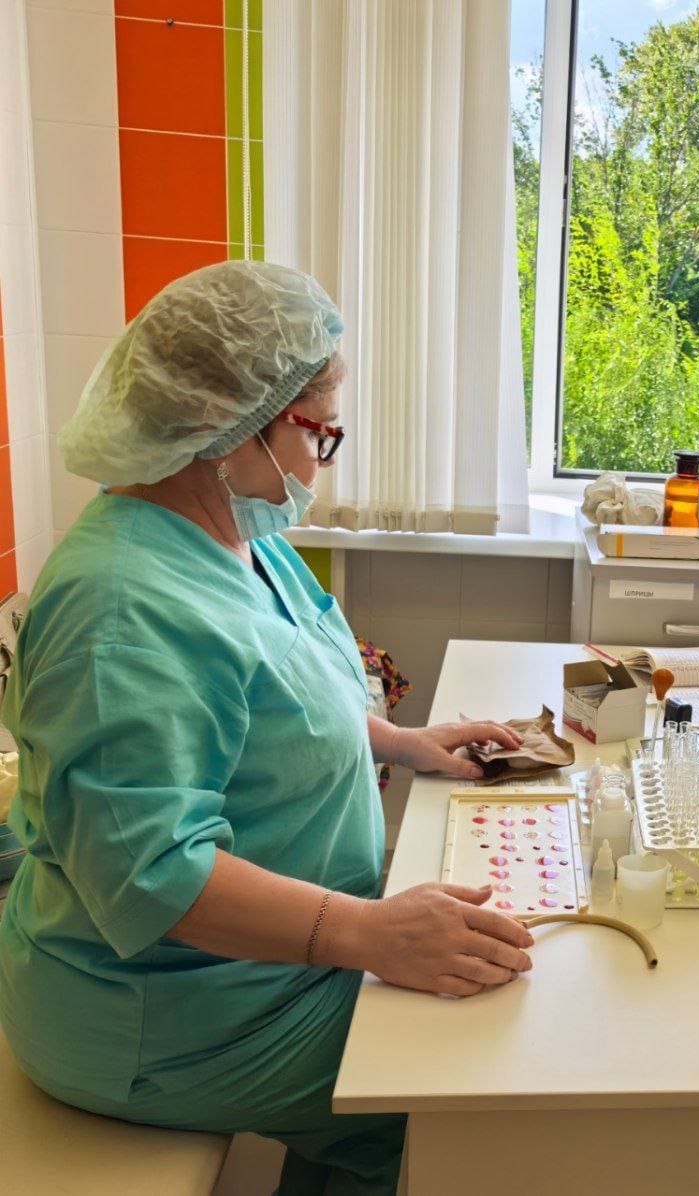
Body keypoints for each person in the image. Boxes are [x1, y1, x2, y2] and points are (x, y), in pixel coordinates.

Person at [0, 261, 535, 1194]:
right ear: (228, 425)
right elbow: (153, 874)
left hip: (267, 968)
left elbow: (285, 698)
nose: (322, 463)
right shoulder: (121, 613)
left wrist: (405, 743)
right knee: (457, 1104)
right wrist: (368, 933)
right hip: (167, 1012)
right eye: (319, 434)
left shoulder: (237, 538)